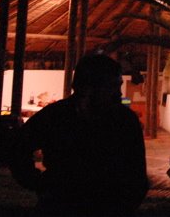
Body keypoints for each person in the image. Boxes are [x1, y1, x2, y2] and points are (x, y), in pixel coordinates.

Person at [10, 54, 149, 216]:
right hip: (61, 205)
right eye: (112, 87)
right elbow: (19, 148)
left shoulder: (125, 121)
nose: (119, 94)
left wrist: (125, 203)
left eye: (118, 86)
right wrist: (38, 183)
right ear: (88, 88)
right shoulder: (56, 116)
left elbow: (137, 172)